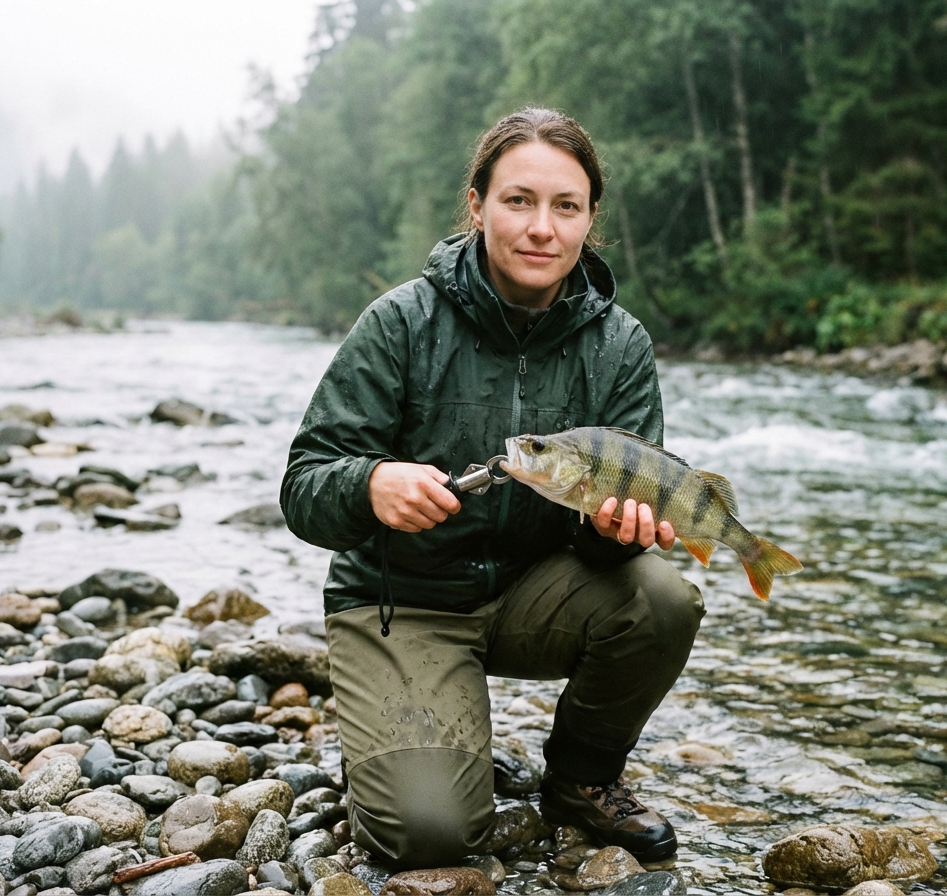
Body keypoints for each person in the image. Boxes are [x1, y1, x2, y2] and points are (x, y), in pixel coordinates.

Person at [281, 107, 704, 870]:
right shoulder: (398, 324)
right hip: (402, 597)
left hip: (533, 593)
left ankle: (580, 780)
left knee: (664, 597)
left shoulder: (622, 346)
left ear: (589, 221)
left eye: (565, 207)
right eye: (518, 200)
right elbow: (304, 485)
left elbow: (618, 532)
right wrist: (370, 482)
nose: (542, 228)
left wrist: (610, 533)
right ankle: (397, 746)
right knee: (430, 834)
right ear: (476, 206)